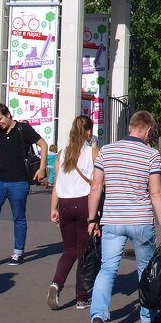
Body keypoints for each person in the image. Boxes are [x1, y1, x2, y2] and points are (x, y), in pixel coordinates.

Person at [87, 110, 161, 323]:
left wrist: (92, 219)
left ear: (129, 128)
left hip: (112, 220)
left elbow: (96, 188)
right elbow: (155, 192)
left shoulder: (106, 151)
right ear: (147, 130)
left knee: (107, 269)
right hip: (140, 220)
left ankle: (98, 316)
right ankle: (147, 315)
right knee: (145, 270)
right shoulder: (151, 155)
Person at [0, 103, 48, 268]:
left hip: (19, 181)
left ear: (8, 114)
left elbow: (43, 144)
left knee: (18, 217)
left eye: (0, 119)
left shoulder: (23, 129)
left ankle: (18, 252)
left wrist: (42, 168)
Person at [48, 115, 98, 311]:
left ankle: (56, 284)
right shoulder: (92, 153)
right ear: (88, 132)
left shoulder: (63, 153)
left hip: (65, 204)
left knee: (69, 250)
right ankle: (82, 296)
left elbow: (56, 184)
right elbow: (98, 183)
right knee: (84, 253)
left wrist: (54, 208)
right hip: (84, 204)